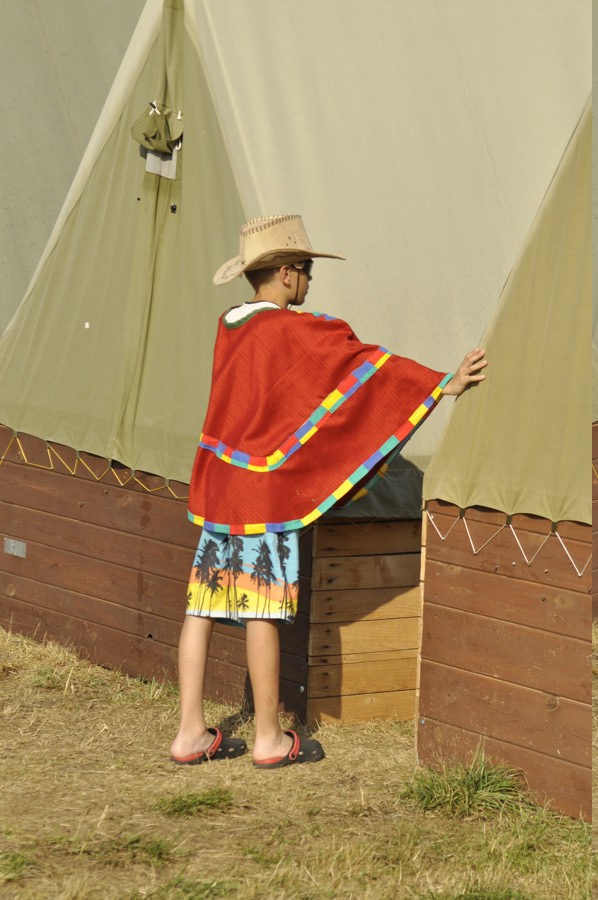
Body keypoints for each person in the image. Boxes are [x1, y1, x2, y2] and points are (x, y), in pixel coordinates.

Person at [170, 215, 487, 769]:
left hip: (220, 483)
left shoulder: (230, 323)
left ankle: (190, 733)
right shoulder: (291, 329)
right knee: (260, 610)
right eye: (308, 270)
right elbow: (364, 366)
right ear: (286, 273)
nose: (311, 281)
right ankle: (269, 739)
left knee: (202, 606)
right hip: (263, 493)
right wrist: (443, 384)